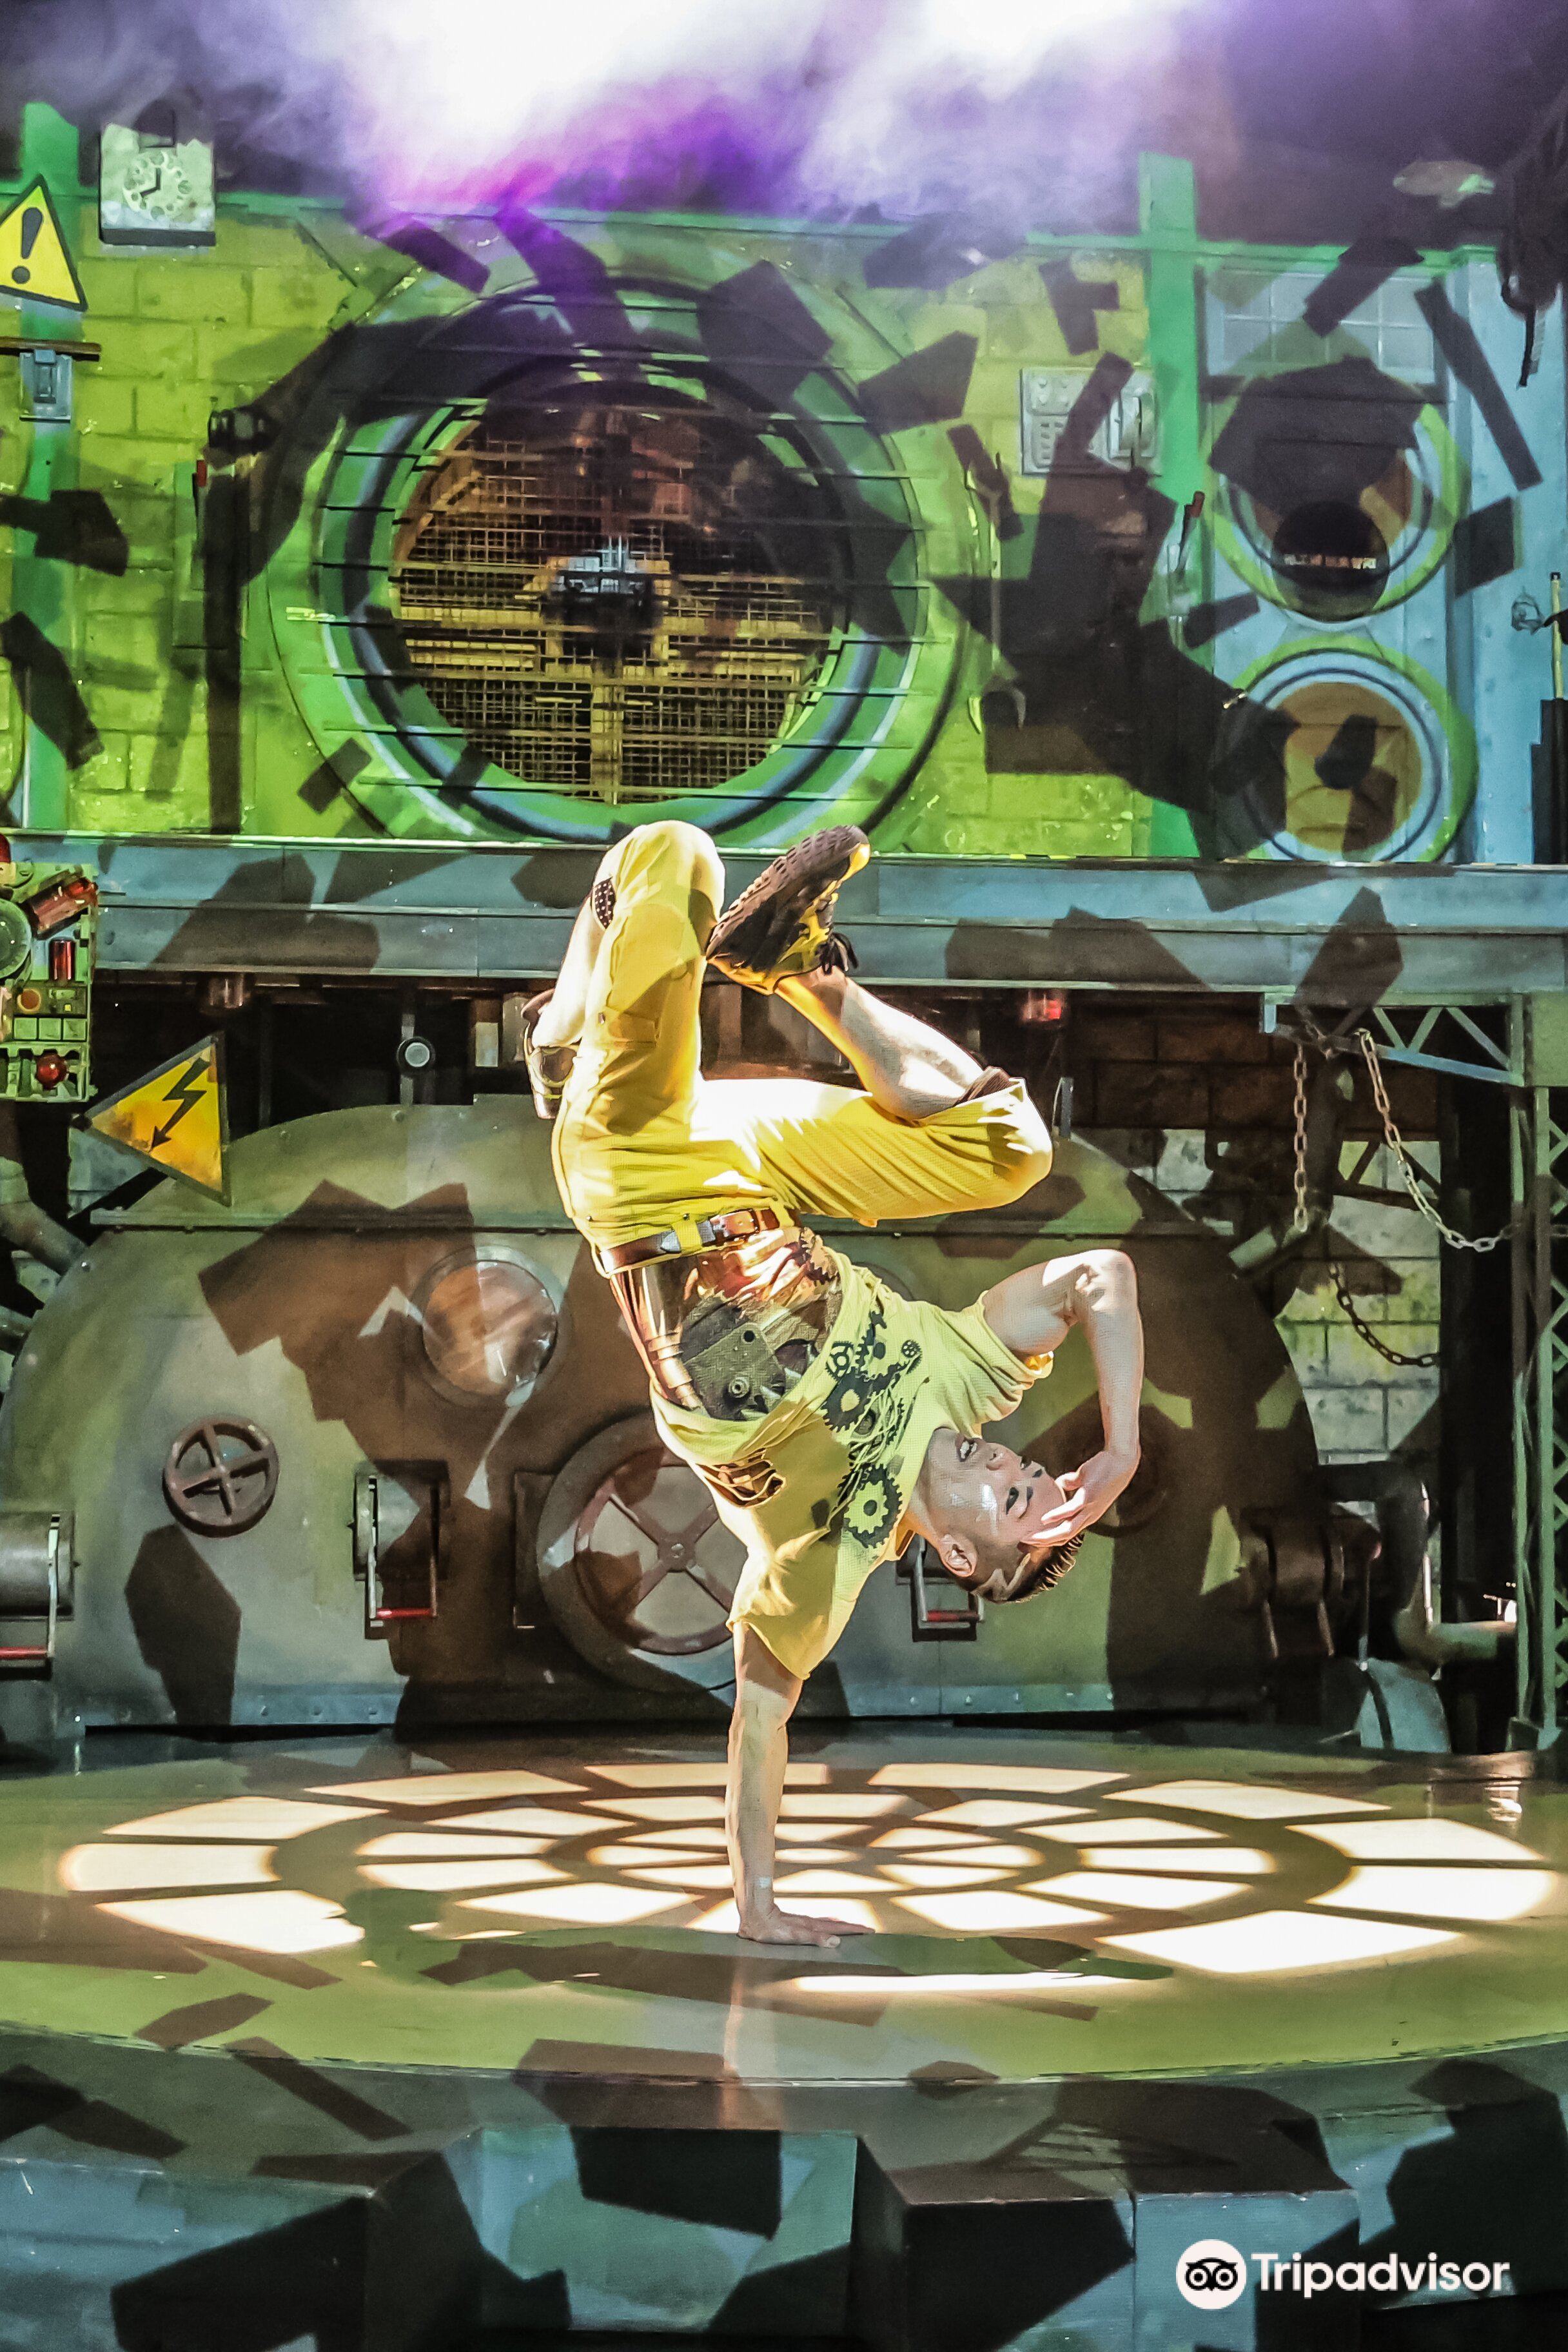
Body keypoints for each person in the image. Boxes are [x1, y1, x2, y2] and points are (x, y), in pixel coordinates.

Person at [525, 821, 1144, 1946]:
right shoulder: (971, 1379)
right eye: (1031, 1470)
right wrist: (1119, 1444)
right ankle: (799, 967)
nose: (1014, 1463)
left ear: (958, 1556)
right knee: (1014, 1147)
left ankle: (568, 1042)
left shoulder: (833, 1552)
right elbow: (1101, 1275)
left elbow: (760, 1724)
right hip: (761, 1167)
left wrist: (757, 1903)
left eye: (1010, 1498)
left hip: (644, 1184)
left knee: (674, 857)